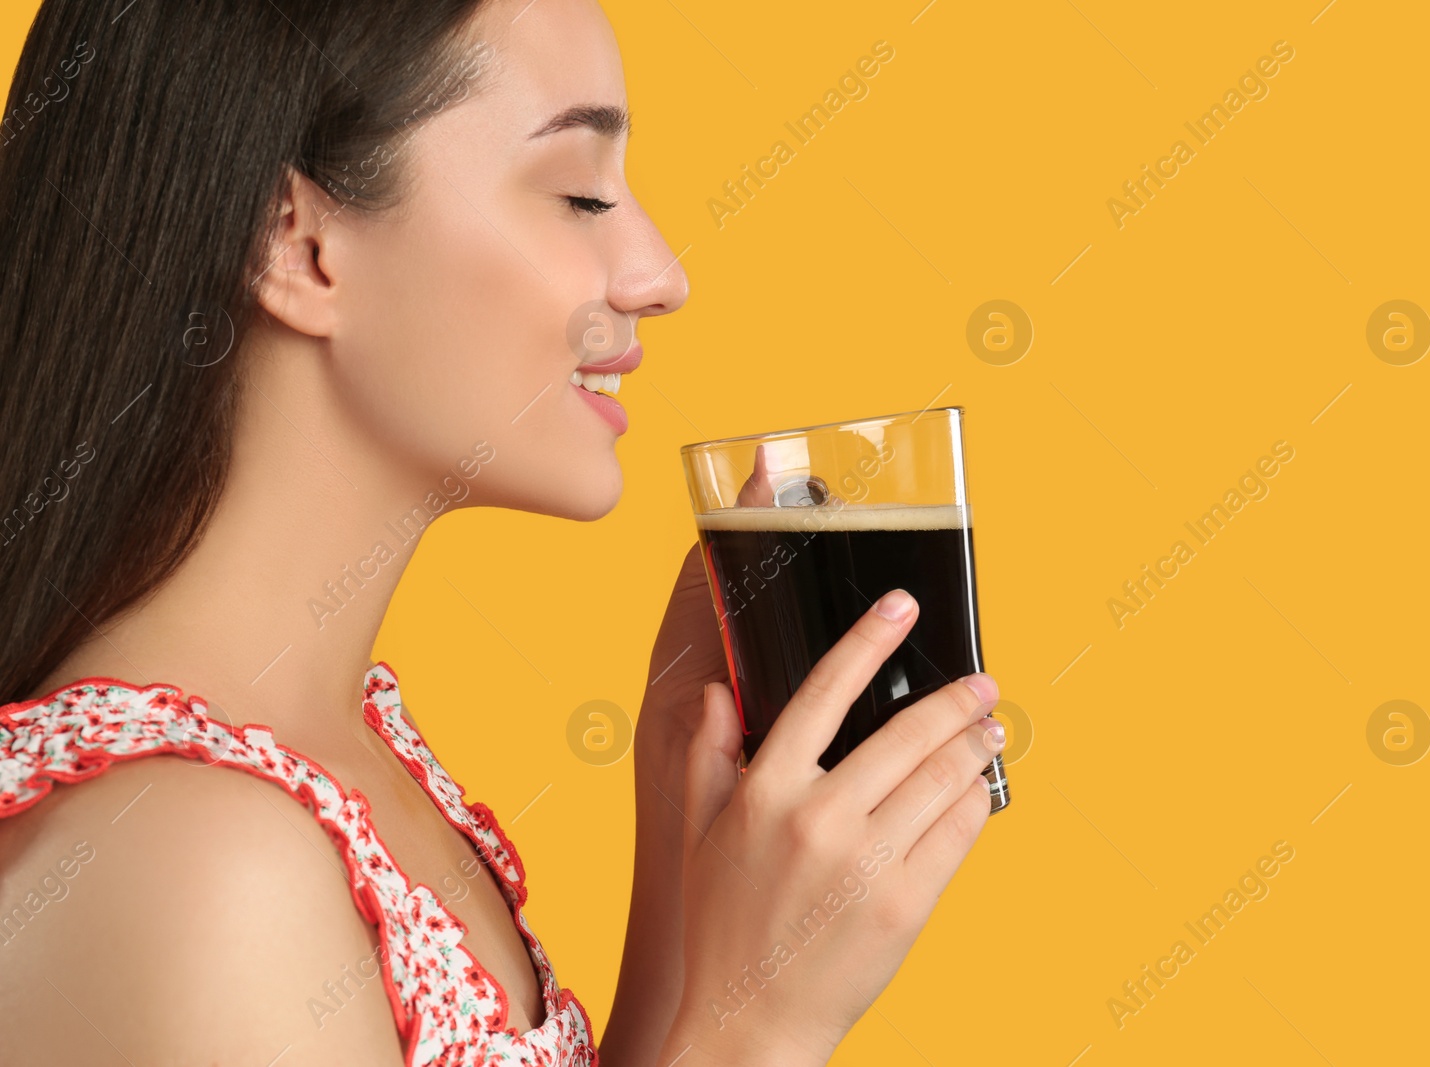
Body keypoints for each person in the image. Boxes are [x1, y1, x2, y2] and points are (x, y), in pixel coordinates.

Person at [0, 1, 1006, 1064]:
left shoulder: (335, 766)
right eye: (579, 194)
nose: (660, 276)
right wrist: (761, 1027)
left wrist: (679, 821)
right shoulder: (201, 872)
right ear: (298, 243)